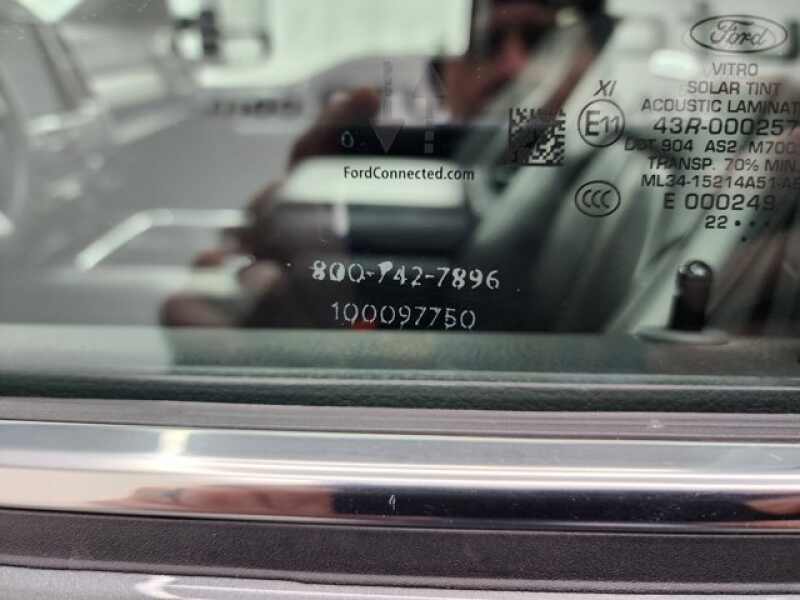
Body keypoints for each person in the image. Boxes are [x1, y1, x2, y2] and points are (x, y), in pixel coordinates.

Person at [161, 0, 608, 328]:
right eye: (488, 44)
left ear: (585, 57)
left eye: (539, 42)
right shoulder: (490, 146)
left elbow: (498, 290)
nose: (513, 66)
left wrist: (322, 271)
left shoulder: (553, 145)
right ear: (448, 68)